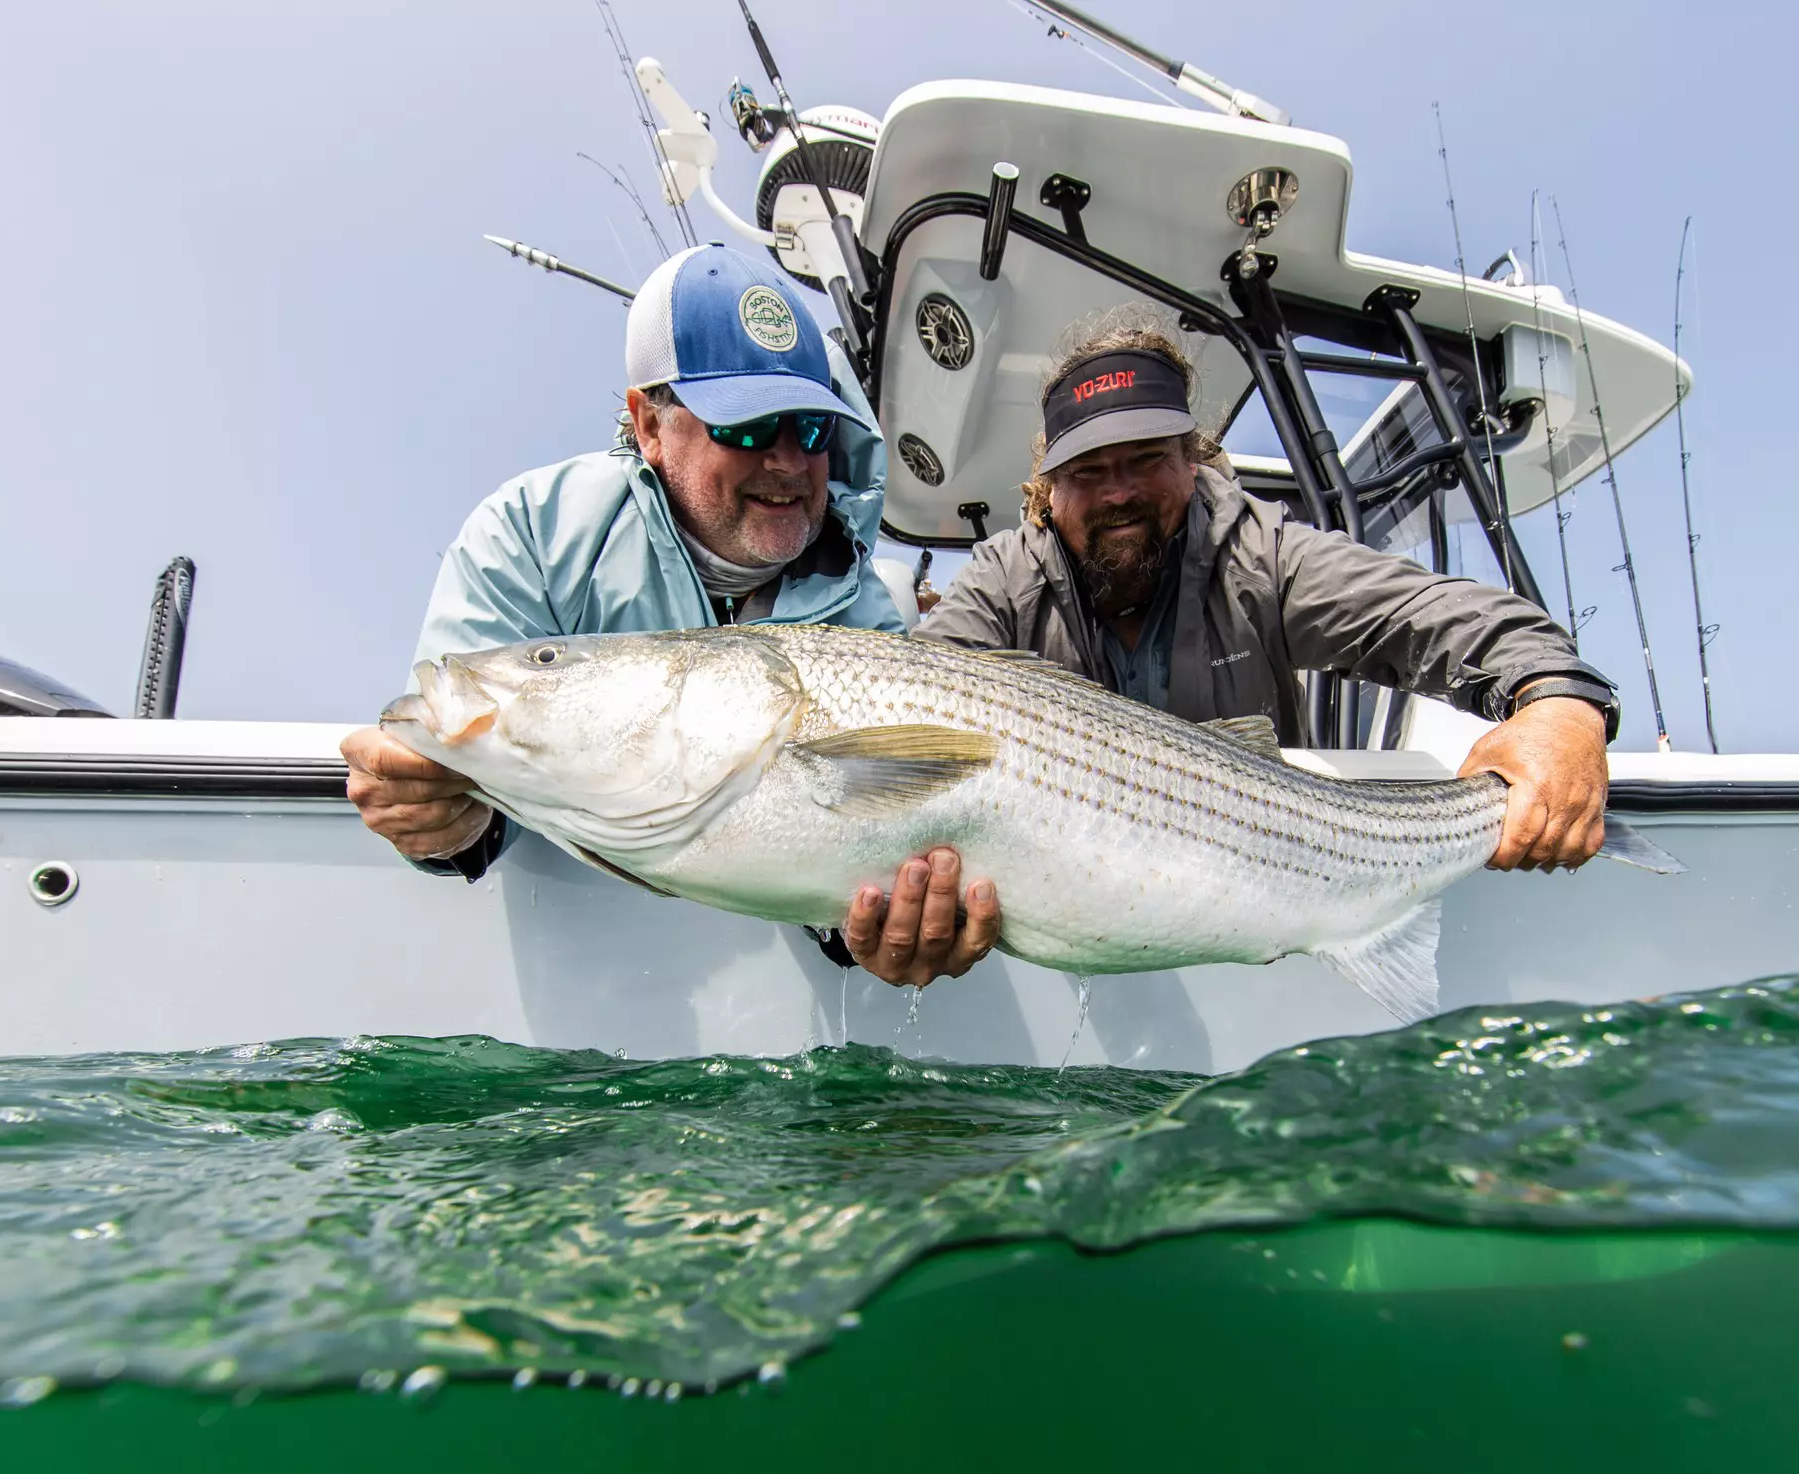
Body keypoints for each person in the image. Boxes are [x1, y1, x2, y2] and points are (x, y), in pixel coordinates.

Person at [341, 243, 999, 987]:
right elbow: (457, 770)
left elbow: (859, 864)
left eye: (812, 429)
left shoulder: (865, 613)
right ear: (648, 426)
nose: (787, 461)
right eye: (745, 427)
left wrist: (867, 933)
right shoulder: (534, 531)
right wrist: (446, 822)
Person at [916, 313, 1622, 880]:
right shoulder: (1000, 582)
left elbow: (1452, 620)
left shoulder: (1264, 554)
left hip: (1275, 887)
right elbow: (896, 700)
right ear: (1048, 486)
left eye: (1147, 460)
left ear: (1193, 463)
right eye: (1090, 470)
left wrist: (1559, 707)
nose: (1120, 492)